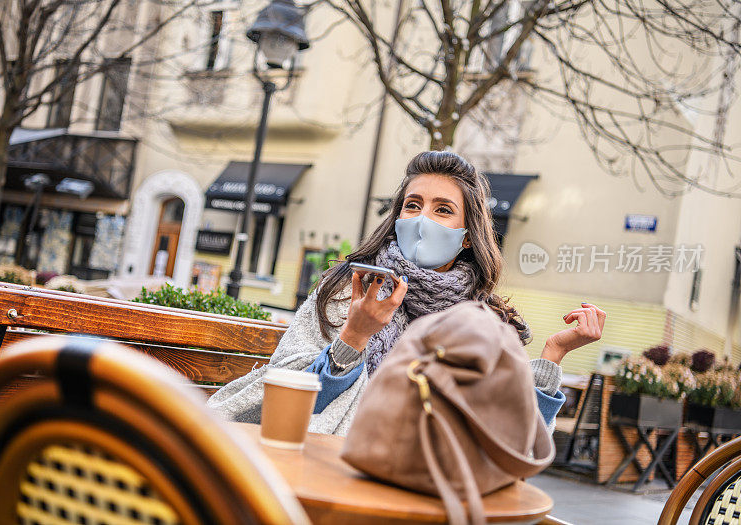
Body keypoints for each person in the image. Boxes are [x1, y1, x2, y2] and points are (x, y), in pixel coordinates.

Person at [208, 151, 607, 436]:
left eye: (443, 210)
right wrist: (354, 336)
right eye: (412, 205)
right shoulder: (349, 291)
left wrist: (554, 354)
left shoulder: (489, 325)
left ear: (467, 237)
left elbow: (513, 439)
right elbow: (287, 398)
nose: (422, 220)